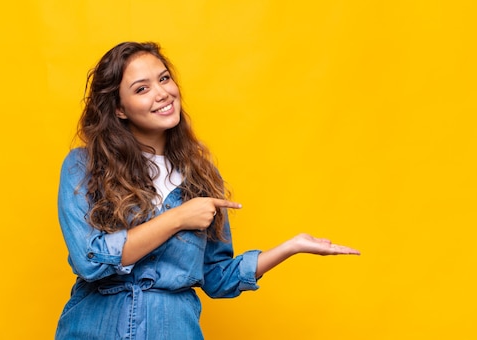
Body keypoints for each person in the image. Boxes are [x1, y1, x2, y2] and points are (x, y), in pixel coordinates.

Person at [55, 41, 360, 340]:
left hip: (173, 328)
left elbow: (217, 277)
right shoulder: (83, 167)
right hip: (95, 328)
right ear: (120, 109)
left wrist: (289, 247)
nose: (162, 93)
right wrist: (178, 218)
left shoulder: (199, 176)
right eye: (141, 88)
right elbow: (90, 260)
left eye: (164, 78)